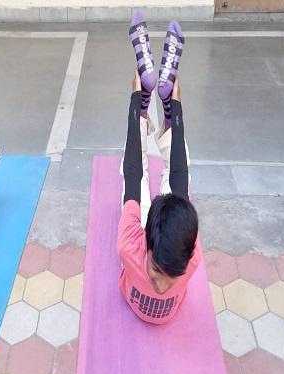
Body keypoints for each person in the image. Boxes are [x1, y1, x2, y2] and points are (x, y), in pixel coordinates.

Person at [118, 14, 200, 324]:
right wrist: (178, 111)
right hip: (152, 228)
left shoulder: (129, 246)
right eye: (157, 270)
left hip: (146, 231)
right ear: (147, 246)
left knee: (133, 185)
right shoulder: (191, 259)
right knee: (180, 180)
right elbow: (178, 176)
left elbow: (133, 170)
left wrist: (134, 99)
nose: (162, 285)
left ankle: (146, 103)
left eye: (169, 275)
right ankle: (166, 108)